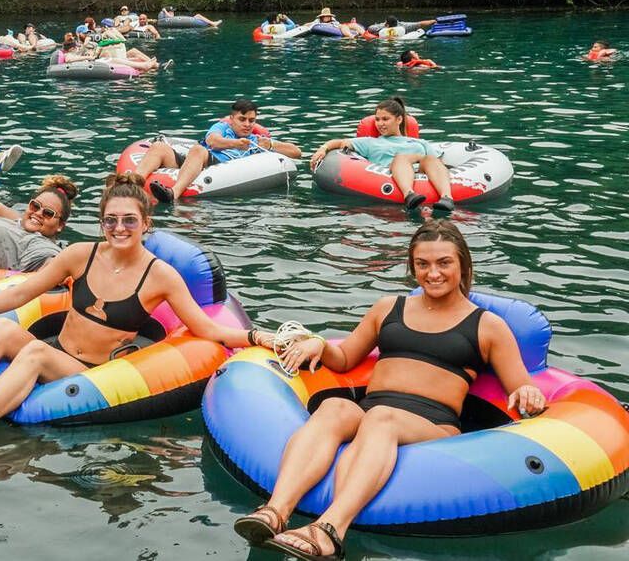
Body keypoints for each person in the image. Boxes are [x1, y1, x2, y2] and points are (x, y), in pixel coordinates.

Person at [0, 173, 275, 455]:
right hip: (60, 351)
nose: (119, 228)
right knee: (2, 331)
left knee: (34, 354)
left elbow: (206, 329)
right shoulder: (78, 256)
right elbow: (20, 292)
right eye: (111, 220)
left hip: (92, 373)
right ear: (102, 221)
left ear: (145, 223)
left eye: (129, 220)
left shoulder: (160, 276)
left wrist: (261, 337)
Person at [234, 219, 546, 560]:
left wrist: (529, 392)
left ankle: (329, 530)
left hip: (432, 425)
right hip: (373, 410)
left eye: (444, 263)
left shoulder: (487, 325)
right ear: (412, 267)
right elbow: (345, 357)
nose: (433, 273)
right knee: (335, 409)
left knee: (382, 419)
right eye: (423, 264)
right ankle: (275, 512)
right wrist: (318, 345)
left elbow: (520, 384)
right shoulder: (388, 308)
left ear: (463, 265)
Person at [137, 99, 303, 203]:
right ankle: (132, 182)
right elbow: (212, 141)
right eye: (242, 119)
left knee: (197, 150)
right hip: (206, 159)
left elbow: (297, 152)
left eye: (251, 120)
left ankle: (173, 194)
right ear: (232, 119)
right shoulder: (222, 127)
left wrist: (271, 145)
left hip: (221, 170)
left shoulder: (257, 141)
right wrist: (236, 143)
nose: (247, 124)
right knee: (161, 147)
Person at [310, 97, 454, 212]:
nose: (380, 124)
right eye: (377, 120)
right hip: (392, 174)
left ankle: (446, 198)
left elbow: (437, 163)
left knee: (430, 159)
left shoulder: (420, 142)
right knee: (401, 158)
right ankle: (409, 195)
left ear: (399, 119)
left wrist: (420, 158)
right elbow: (339, 142)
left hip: (421, 171)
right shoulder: (370, 142)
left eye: (385, 119)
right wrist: (323, 148)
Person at [367, 15, 437, 35]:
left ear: (387, 24)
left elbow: (369, 29)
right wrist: (433, 21)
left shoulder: (380, 26)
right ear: (397, 22)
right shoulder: (403, 26)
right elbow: (420, 24)